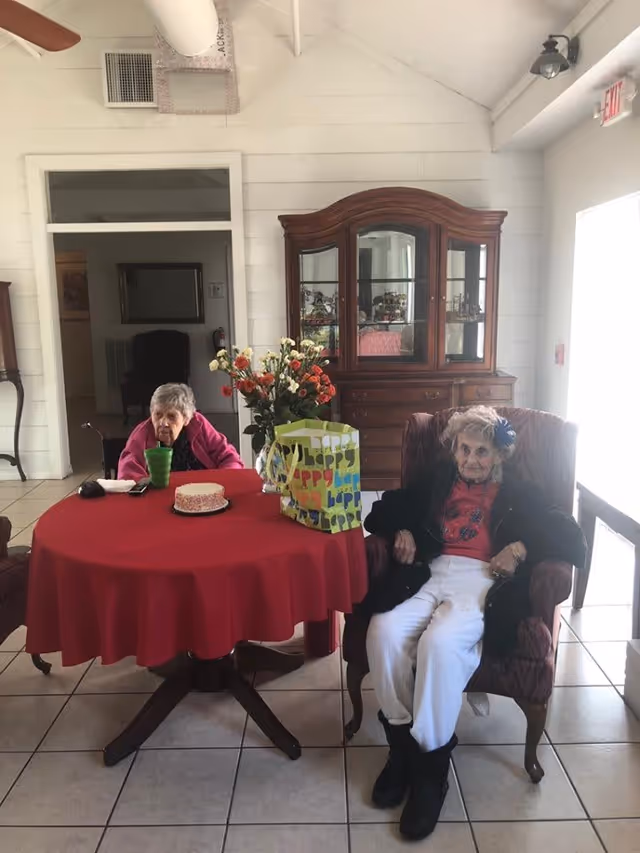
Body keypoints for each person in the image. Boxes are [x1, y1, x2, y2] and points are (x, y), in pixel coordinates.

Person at [363, 406, 585, 841]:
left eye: (482, 452)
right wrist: (403, 530)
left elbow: (570, 537)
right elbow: (381, 511)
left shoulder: (520, 493)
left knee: (441, 646)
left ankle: (431, 770)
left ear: (499, 455)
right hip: (429, 573)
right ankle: (401, 750)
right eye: (464, 449)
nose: (471, 460)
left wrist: (519, 548)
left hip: (481, 579)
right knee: (382, 631)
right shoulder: (439, 481)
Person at [118, 383, 243, 480]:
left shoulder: (198, 424)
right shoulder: (141, 435)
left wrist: (223, 482)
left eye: (171, 416)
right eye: (158, 415)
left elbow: (229, 457)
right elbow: (127, 477)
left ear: (186, 418)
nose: (163, 422)